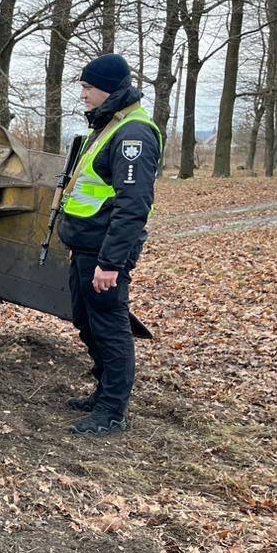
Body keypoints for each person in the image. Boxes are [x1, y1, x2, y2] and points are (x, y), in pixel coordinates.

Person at [56, 53, 163, 436]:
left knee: (109, 327)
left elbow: (133, 207)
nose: (83, 94)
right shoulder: (109, 125)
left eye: (88, 87)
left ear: (108, 89)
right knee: (88, 322)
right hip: (88, 248)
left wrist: (111, 263)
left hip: (104, 253)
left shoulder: (133, 134)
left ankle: (112, 410)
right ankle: (103, 392)